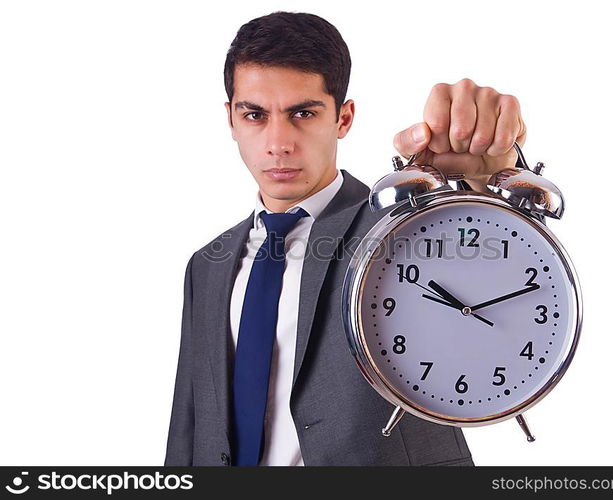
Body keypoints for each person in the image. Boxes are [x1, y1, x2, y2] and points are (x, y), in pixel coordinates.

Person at [164, 11, 526, 466]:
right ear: (231, 120)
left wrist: (482, 188)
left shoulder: (403, 231)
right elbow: (190, 423)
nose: (278, 142)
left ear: (343, 117)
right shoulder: (208, 265)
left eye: (302, 113)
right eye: (255, 114)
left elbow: (502, 293)